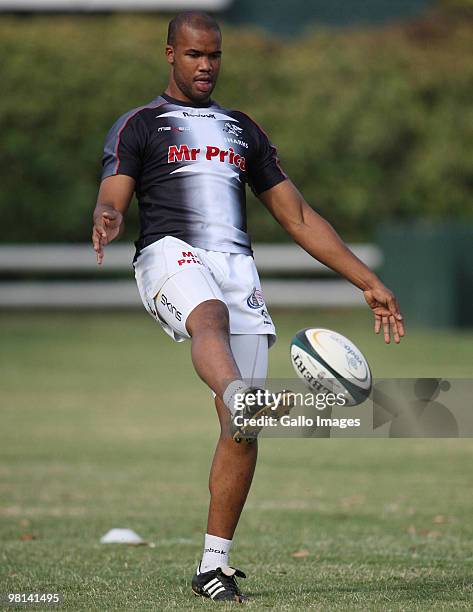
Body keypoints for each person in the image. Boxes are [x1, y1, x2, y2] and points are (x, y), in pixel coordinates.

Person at [92, 11, 405, 603]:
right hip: (169, 254)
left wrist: (366, 280)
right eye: (193, 56)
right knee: (208, 319)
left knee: (244, 430)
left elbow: (299, 217)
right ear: (169, 55)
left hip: (237, 268)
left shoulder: (243, 129)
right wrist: (108, 212)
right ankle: (238, 393)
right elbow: (115, 187)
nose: (205, 65)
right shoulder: (141, 123)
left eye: (214, 55)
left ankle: (213, 565)